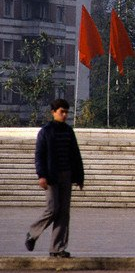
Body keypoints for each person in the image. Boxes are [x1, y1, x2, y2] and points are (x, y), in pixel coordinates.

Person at [25, 99, 84, 258]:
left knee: (64, 213)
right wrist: (41, 175)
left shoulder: (68, 131)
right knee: (52, 209)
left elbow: (75, 155)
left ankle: (57, 248)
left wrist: (79, 177)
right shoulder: (46, 131)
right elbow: (39, 155)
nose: (64, 115)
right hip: (51, 176)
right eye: (61, 112)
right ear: (53, 112)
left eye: (66, 112)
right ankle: (32, 233)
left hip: (67, 175)